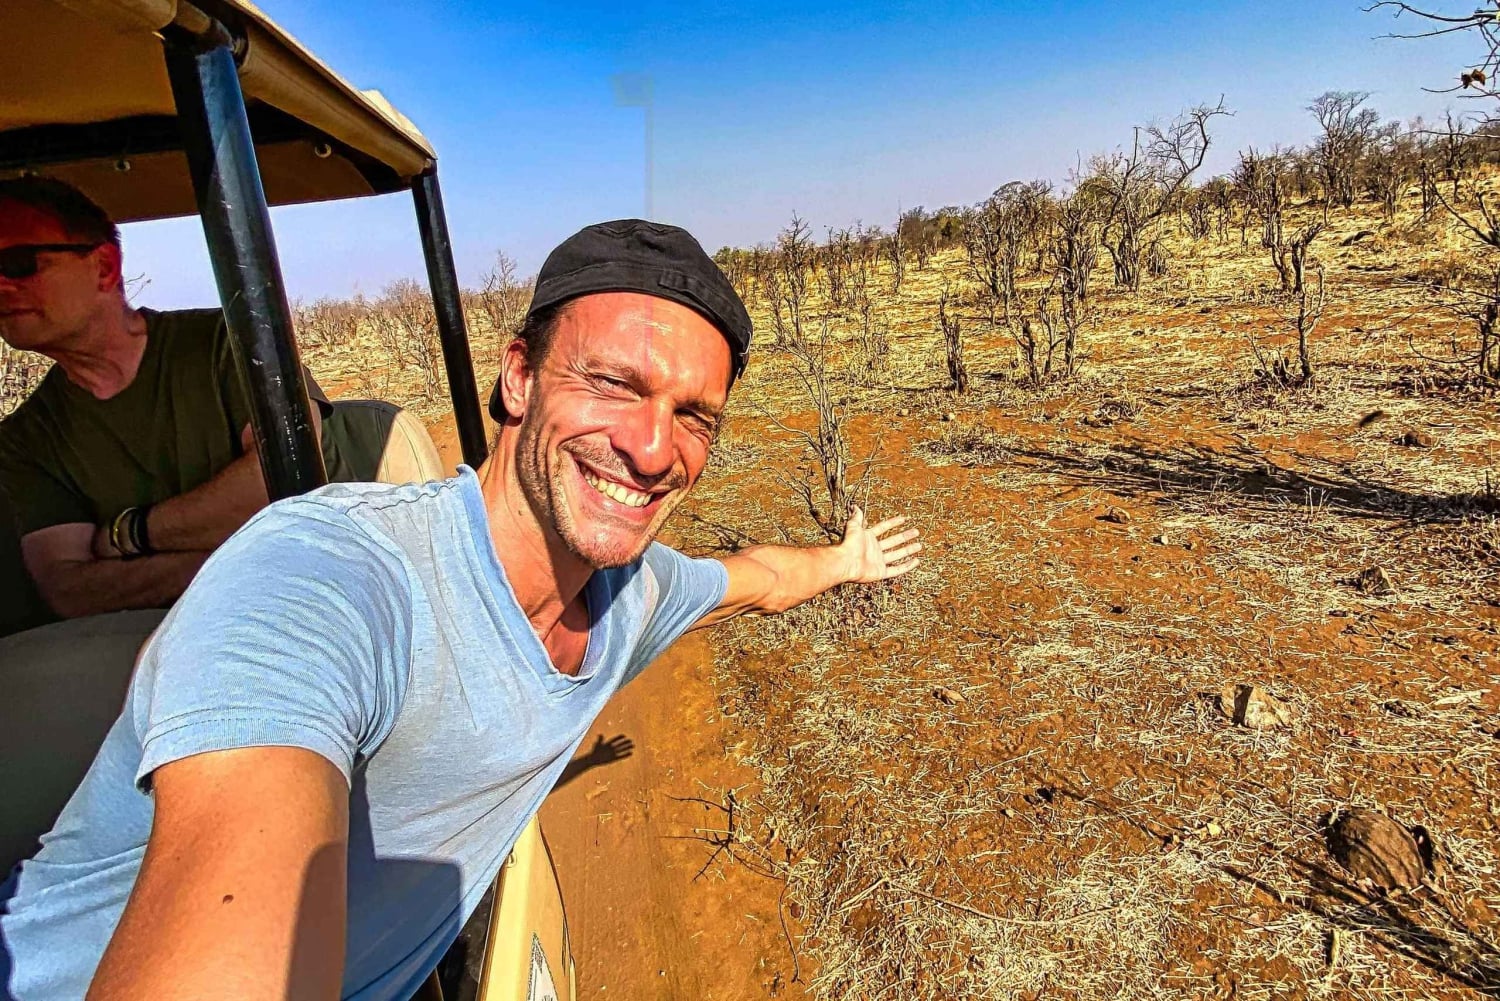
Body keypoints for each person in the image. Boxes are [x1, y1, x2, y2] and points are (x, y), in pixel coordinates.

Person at [0, 218, 921, 999]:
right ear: (518, 376)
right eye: (612, 383)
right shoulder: (330, 575)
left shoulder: (634, 595)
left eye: (694, 415)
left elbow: (753, 576)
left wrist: (845, 560)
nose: (650, 448)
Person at [0, 176, 348, 623]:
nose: (3, 286)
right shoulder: (25, 437)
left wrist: (127, 535)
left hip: (310, 614)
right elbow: (69, 589)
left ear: (105, 267)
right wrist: (236, 560)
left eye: (20, 263)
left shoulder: (233, 343)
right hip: (142, 650)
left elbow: (279, 485)